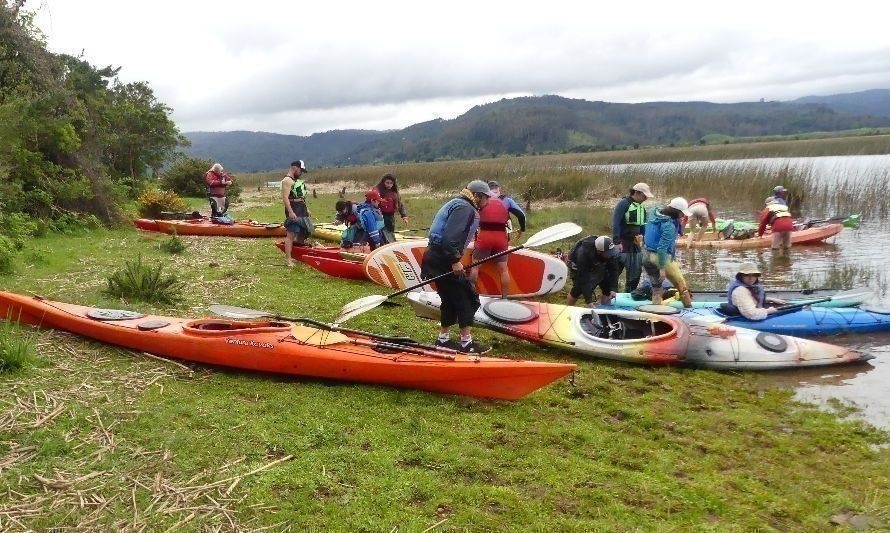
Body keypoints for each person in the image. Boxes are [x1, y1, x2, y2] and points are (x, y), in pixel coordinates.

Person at [421, 180, 495, 354]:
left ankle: (443, 340)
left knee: (450, 299)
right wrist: (455, 260)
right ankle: (466, 344)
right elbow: (449, 238)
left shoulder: (458, 203)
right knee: (468, 297)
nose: (488, 202)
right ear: (477, 196)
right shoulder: (465, 208)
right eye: (486, 198)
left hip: (435, 256)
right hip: (444, 258)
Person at [642, 197, 694, 307]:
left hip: (645, 255)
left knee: (656, 287)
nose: (683, 216)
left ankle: (656, 310)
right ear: (676, 212)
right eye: (682, 213)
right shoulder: (668, 227)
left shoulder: (655, 211)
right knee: (681, 284)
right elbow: (662, 248)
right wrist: (662, 268)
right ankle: (689, 308)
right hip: (659, 256)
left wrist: (679, 229)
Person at [469, 185, 513, 298]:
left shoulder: (481, 202)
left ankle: (471, 296)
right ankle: (505, 298)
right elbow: (520, 215)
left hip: (485, 238)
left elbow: (473, 222)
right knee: (503, 270)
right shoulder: (505, 202)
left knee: (475, 267)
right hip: (501, 240)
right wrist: (522, 229)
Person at [611, 182, 653, 292]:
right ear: (637, 193)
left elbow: (643, 225)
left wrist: (644, 239)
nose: (645, 198)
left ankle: (629, 293)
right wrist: (616, 241)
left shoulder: (642, 207)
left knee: (635, 272)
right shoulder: (623, 204)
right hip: (622, 243)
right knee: (615, 271)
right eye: (644, 196)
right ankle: (611, 292)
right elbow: (616, 223)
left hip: (635, 244)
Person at [565, 236, 624, 307]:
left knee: (607, 288)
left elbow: (614, 269)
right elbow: (584, 279)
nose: (611, 254)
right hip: (577, 265)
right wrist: (589, 301)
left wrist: (613, 288)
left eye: (611, 251)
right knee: (578, 289)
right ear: (599, 252)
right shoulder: (583, 254)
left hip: (598, 262)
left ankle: (604, 311)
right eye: (608, 253)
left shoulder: (609, 252)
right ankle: (568, 309)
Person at [723, 262, 788, 320]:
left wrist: (771, 299)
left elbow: (750, 299)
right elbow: (752, 314)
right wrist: (769, 311)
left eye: (754, 275)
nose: (751, 278)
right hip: (744, 320)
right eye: (747, 275)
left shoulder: (748, 287)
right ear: (741, 276)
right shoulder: (740, 291)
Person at [281, 160, 313, 266]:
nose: (301, 173)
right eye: (301, 170)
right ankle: (288, 260)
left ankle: (298, 255)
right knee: (291, 234)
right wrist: (290, 212)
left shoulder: (296, 180)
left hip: (301, 208)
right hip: (294, 208)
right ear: (295, 168)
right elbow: (285, 198)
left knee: (303, 232)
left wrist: (307, 209)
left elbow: (301, 197)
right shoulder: (287, 180)